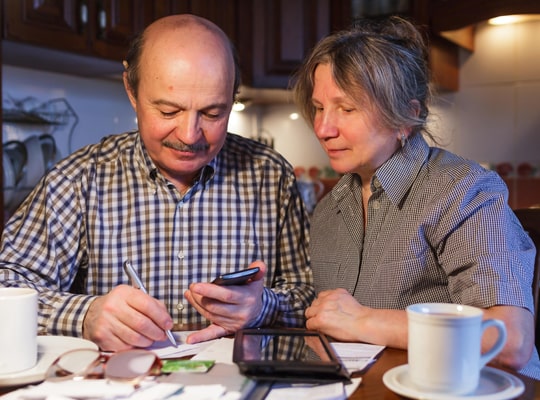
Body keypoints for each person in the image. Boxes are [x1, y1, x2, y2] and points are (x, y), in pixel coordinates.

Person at [0, 14, 313, 351]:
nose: (189, 135)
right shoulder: (78, 180)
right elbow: (6, 286)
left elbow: (311, 292)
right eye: (168, 112)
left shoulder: (270, 176)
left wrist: (262, 306)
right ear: (131, 91)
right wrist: (85, 314)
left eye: (212, 113)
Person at [293, 15, 540, 379]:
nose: (323, 128)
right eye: (318, 107)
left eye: (347, 108)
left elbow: (508, 342)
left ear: (407, 115)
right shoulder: (329, 210)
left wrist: (364, 320)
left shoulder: (464, 191)